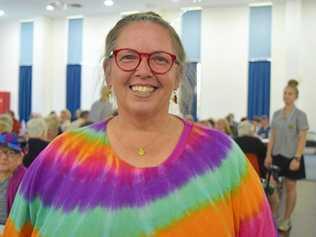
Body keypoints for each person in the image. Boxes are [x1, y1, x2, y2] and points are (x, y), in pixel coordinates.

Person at [3, 12, 276, 237]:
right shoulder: (60, 156)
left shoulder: (222, 158)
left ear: (178, 75)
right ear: (108, 72)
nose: (143, 70)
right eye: (128, 57)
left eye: (159, 59)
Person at [264, 79, 309, 232]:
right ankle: (273, 214)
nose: (286, 96)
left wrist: (297, 158)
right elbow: (272, 136)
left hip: (292, 157)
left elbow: (302, 138)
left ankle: (286, 219)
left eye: (290, 94)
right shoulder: (276, 114)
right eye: (285, 93)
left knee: (290, 188)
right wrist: (268, 155)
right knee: (271, 187)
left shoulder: (300, 115)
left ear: (295, 96)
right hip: (276, 156)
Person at [0, 132, 25, 225]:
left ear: (19, 157)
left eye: (10, 153)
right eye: (0, 152)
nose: (4, 157)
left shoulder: (24, 181)